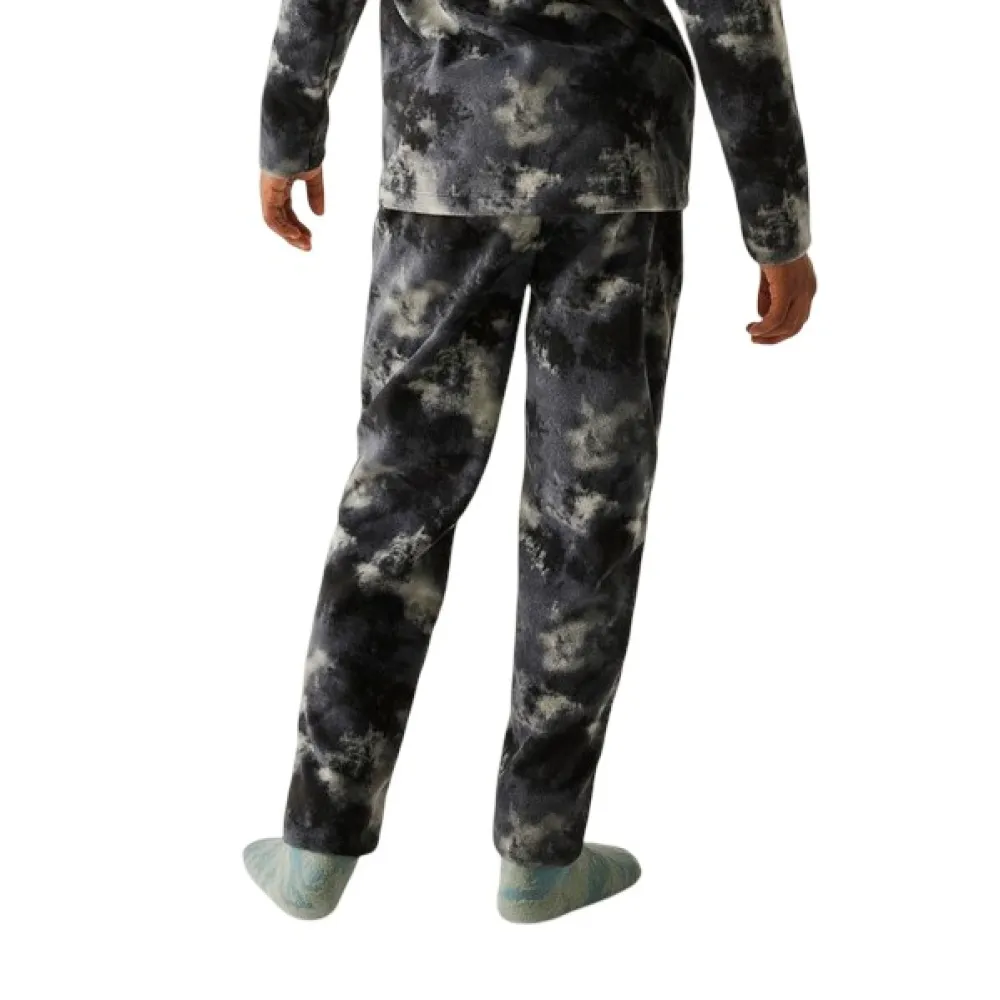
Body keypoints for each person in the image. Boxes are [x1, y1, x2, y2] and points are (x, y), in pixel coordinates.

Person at [244, 0, 818, 923]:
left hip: (447, 156)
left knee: (396, 502)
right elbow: (733, 12)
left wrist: (289, 125)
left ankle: (318, 840)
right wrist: (777, 220)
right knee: (588, 509)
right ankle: (540, 855)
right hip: (615, 159)